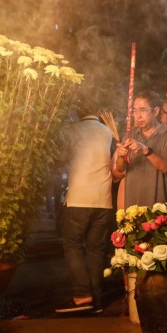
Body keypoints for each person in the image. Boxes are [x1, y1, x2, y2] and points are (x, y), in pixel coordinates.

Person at [55, 100, 115, 314]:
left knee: (72, 245)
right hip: (104, 200)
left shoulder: (72, 130)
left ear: (76, 111)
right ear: (99, 112)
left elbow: (59, 161)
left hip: (79, 198)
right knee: (96, 251)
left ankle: (82, 295)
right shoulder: (109, 132)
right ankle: (96, 300)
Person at [112, 90, 167, 208]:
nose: (138, 115)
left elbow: (164, 167)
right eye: (135, 111)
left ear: (155, 111)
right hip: (132, 206)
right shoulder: (130, 134)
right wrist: (120, 156)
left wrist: (144, 149)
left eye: (143, 110)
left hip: (158, 207)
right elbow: (120, 169)